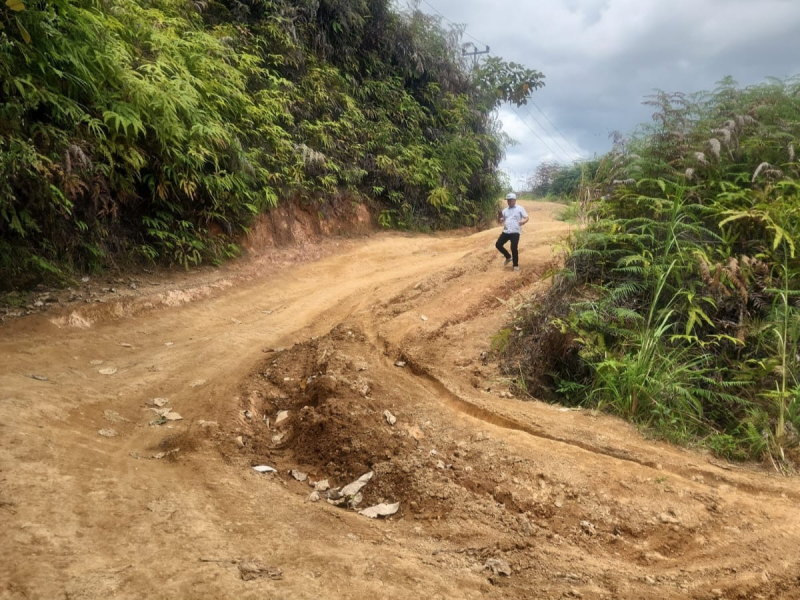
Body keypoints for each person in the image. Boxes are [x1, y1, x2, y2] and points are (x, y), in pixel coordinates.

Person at [496, 192, 529, 271]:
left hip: (515, 231)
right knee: (498, 244)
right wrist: (499, 216)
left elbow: (527, 217)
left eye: (510, 200)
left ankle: (515, 265)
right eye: (508, 200)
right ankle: (508, 256)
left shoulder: (520, 208)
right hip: (506, 231)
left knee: (513, 247)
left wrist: (523, 222)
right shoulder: (505, 210)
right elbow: (500, 221)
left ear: (515, 200)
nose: (509, 202)